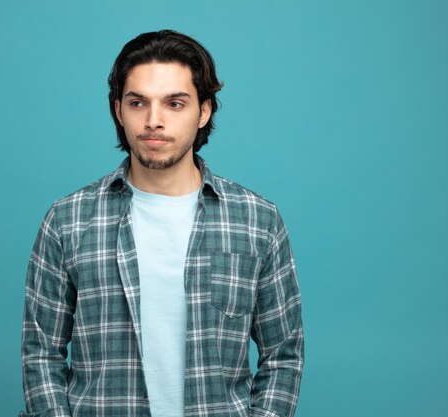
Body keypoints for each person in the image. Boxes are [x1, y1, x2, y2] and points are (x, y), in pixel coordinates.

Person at [20, 29, 303, 417]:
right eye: (138, 103)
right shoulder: (67, 221)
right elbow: (41, 354)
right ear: (118, 109)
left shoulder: (257, 221)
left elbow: (283, 354)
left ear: (203, 111)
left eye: (174, 103)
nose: (154, 121)